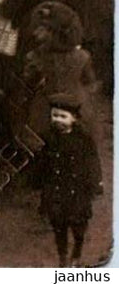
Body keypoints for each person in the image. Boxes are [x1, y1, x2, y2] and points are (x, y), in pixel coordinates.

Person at [34, 93, 103, 267]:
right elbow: (40, 162)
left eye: (63, 116)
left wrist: (96, 183)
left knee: (79, 226)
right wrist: (36, 179)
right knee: (59, 226)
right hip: (56, 190)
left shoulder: (84, 140)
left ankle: (77, 251)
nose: (58, 120)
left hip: (77, 191)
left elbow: (93, 162)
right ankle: (63, 257)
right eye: (54, 115)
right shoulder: (48, 138)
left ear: (74, 119)